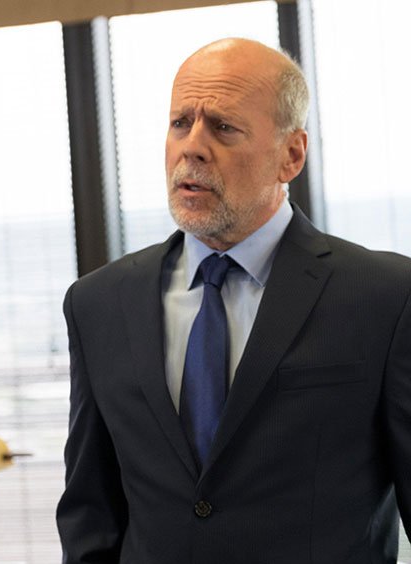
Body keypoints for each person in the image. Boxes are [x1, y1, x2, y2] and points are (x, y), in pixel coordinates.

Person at [56, 38, 411, 563]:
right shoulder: (97, 304)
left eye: (222, 127)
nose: (192, 148)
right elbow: (91, 516)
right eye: (181, 123)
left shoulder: (387, 296)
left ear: (291, 155)